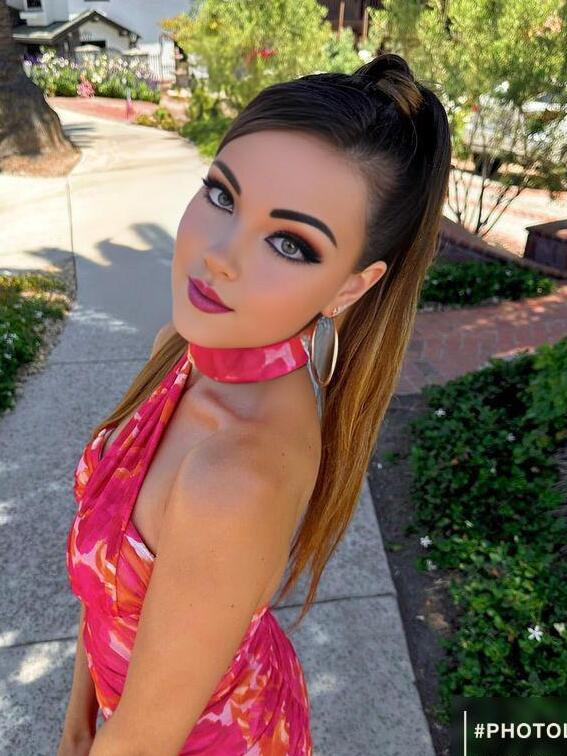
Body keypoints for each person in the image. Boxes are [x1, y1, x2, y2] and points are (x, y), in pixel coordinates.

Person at [58, 52, 451, 755]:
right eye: (221, 194)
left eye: (289, 243)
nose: (220, 256)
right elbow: (106, 596)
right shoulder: (178, 349)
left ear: (349, 287)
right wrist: (75, 724)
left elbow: (142, 741)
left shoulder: (235, 477)